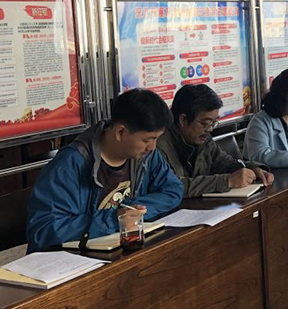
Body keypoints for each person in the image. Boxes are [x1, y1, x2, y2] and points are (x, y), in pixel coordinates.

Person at [26, 89, 184, 253]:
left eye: (156, 139)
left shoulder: (146, 156)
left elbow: (173, 189)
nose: (152, 147)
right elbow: (42, 230)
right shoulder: (70, 165)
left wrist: (131, 210)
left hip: (116, 250)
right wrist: (115, 219)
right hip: (70, 259)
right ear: (120, 132)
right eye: (147, 140)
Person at [157, 84, 274, 197]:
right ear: (183, 120)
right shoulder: (158, 146)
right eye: (205, 123)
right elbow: (172, 187)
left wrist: (252, 169)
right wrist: (227, 181)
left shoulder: (204, 140)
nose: (210, 129)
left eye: (213, 123)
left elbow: (225, 163)